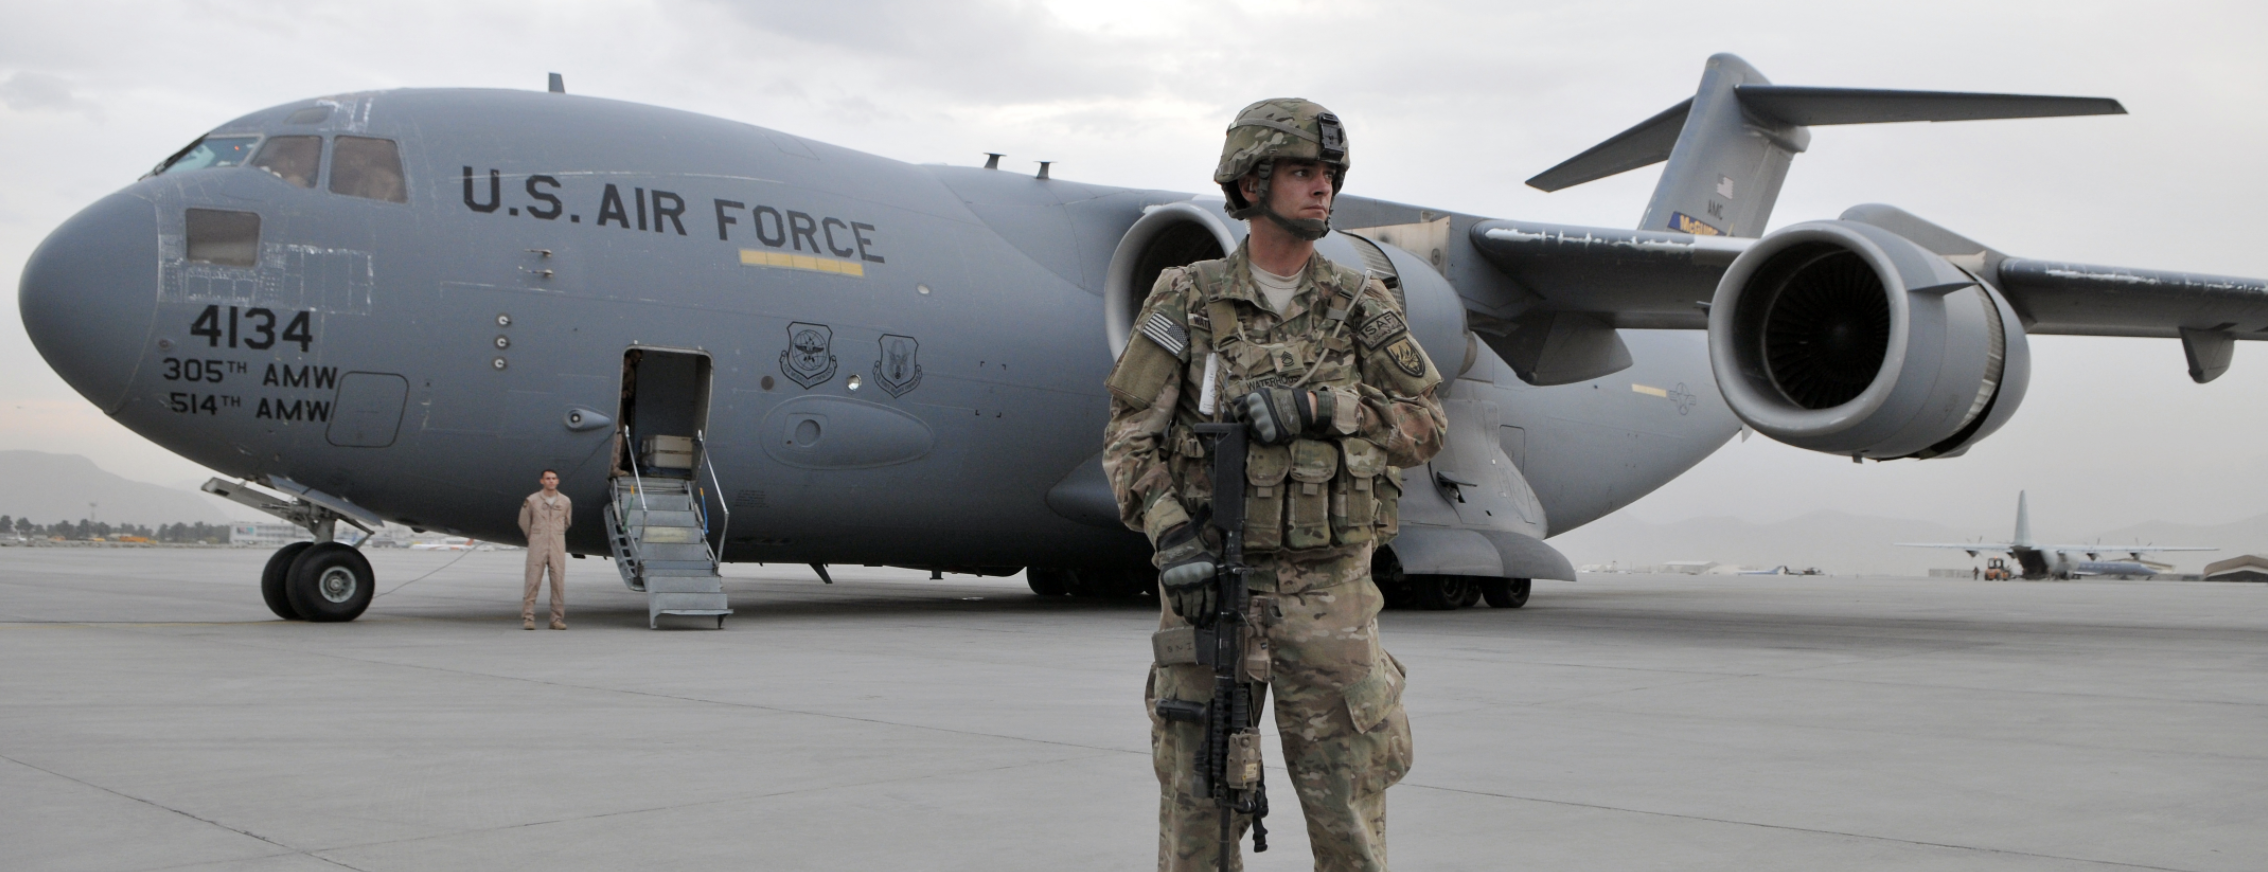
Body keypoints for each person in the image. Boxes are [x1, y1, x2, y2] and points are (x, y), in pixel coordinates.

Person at [1103, 98, 1447, 872]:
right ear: (1251, 183)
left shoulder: (1361, 304)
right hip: (1207, 591)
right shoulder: (1186, 300)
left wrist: (1328, 408)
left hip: (1330, 602)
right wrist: (1171, 535)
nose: (1322, 189)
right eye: (1302, 172)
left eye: (1329, 174)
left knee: (1348, 814)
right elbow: (1130, 440)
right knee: (1197, 811)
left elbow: (1426, 425)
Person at [518, 469, 572, 630]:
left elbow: (567, 522)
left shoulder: (565, 501)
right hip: (538, 543)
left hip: (556, 543)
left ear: (557, 481)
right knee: (532, 580)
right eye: (547, 478)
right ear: (542, 481)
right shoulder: (532, 500)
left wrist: (556, 534)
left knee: (558, 582)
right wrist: (533, 535)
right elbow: (523, 520)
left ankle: (556, 619)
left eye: (554, 478)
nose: (551, 481)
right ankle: (528, 618)